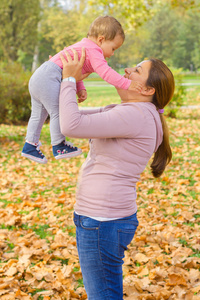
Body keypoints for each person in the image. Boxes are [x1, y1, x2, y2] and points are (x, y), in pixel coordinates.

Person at [58, 48, 175, 300]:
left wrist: (69, 79)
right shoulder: (136, 113)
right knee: (103, 290)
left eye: (136, 70)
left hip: (102, 221)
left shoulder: (134, 115)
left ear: (147, 90)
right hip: (103, 219)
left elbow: (70, 125)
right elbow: (67, 120)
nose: (126, 70)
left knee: (102, 295)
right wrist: (72, 84)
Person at [21, 16, 142, 164]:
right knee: (58, 111)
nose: (112, 54)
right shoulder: (94, 51)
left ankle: (29, 145)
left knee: (38, 114)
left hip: (39, 76)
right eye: (113, 48)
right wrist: (126, 84)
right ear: (101, 40)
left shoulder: (84, 47)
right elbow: (106, 73)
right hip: (49, 77)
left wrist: (80, 87)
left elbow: (76, 70)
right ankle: (59, 146)